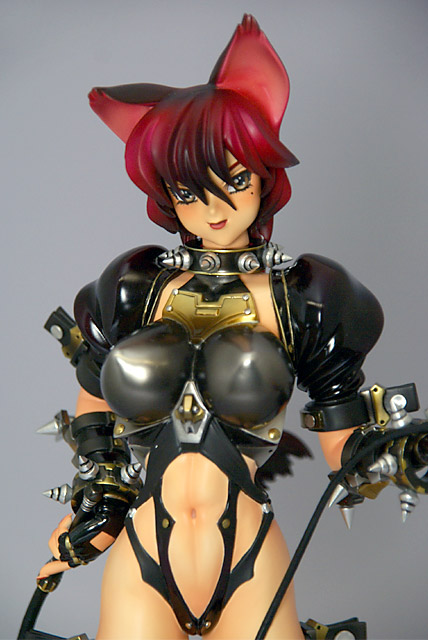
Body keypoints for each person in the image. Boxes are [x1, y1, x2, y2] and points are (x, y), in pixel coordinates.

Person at [37, 14, 387, 639]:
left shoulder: (302, 298)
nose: (214, 208)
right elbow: (94, 408)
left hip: (249, 558)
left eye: (235, 179)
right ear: (165, 193)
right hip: (144, 553)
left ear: (264, 173)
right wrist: (99, 506)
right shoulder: (134, 290)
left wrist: (397, 456)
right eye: (188, 190)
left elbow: (348, 445)